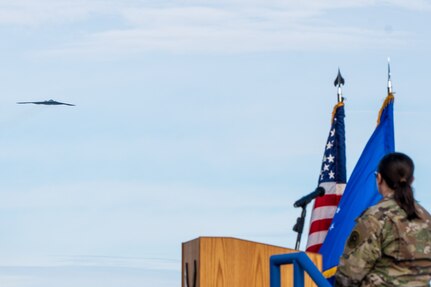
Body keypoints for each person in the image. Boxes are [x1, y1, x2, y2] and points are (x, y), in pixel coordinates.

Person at [335, 152, 431, 286]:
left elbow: (350, 273)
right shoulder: (427, 218)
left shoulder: (376, 217)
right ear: (412, 180)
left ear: (379, 178)